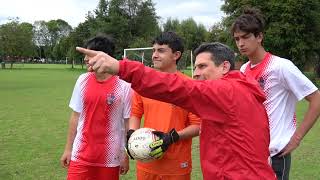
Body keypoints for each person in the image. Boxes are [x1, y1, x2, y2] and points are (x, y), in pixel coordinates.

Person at [76, 42, 277, 179]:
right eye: (195, 67)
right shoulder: (241, 90)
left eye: (202, 66)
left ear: (225, 67)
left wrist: (121, 67)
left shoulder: (227, 91)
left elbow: (178, 88)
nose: (196, 73)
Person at [232, 8, 320, 180]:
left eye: (245, 37)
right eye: (237, 39)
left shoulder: (281, 66)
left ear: (259, 37)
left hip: (275, 155)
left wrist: (297, 138)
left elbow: (316, 98)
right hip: (250, 154)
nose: (240, 43)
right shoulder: (243, 69)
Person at [126, 32, 200, 180]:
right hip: (146, 163)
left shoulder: (189, 86)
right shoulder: (144, 84)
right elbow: (135, 113)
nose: (154, 55)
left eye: (161, 50)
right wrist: (131, 133)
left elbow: (198, 126)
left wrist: (172, 137)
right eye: (153, 50)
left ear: (176, 55)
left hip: (176, 166)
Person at [60, 35, 132, 180]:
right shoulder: (82, 80)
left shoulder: (124, 85)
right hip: (80, 154)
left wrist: (125, 153)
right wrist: (68, 149)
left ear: (103, 56)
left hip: (110, 158)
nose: (86, 59)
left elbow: (127, 123)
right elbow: (75, 116)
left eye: (89, 54)